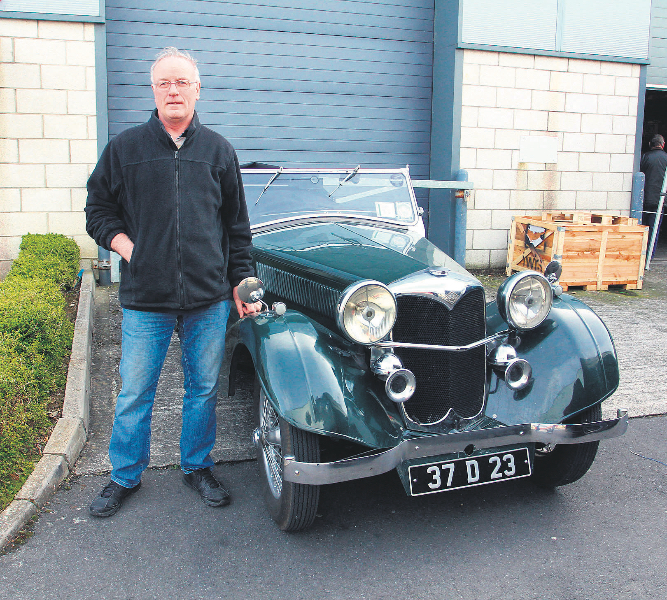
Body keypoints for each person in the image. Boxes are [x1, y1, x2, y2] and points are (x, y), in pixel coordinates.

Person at [85, 47, 261, 517]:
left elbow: (237, 228)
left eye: (182, 82)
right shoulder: (125, 149)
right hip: (147, 299)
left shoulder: (219, 151)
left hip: (208, 299)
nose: (173, 90)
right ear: (153, 90)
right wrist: (130, 249)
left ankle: (197, 467)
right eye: (164, 83)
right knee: (135, 393)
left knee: (202, 390)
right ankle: (124, 475)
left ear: (198, 89)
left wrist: (243, 284)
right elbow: (97, 210)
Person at [640, 133, 667, 253]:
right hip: (660, 200)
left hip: (644, 199)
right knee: (654, 229)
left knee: (641, 227)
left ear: (650, 144)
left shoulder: (645, 157)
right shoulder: (666, 158)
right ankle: (649, 255)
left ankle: (640, 255)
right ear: (663, 144)